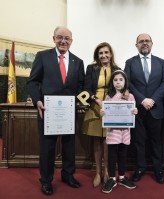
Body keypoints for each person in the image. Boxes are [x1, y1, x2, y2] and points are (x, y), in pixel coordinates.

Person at [27, 26, 85, 195]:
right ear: (53, 39)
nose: (63, 41)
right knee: (47, 148)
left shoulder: (78, 61)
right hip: (47, 111)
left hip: (68, 112)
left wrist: (80, 104)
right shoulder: (42, 56)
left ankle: (68, 175)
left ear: (71, 42)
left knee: (69, 146)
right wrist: (37, 100)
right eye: (60, 37)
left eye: (67, 38)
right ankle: (46, 181)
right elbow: (32, 82)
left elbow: (80, 87)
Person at [124, 33, 164, 184]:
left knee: (156, 142)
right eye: (141, 41)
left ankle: (158, 170)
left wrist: (153, 100)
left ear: (152, 43)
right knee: (139, 142)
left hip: (156, 110)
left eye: (147, 41)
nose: (144, 43)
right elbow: (127, 84)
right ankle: (140, 168)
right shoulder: (130, 62)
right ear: (136, 45)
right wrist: (142, 100)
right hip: (138, 110)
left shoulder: (162, 63)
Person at [82, 42, 120, 187]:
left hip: (111, 108)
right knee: (97, 141)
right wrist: (97, 101)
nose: (103, 55)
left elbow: (121, 87)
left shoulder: (117, 69)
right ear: (97, 56)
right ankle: (98, 172)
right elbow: (86, 89)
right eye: (101, 53)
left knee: (108, 141)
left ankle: (107, 172)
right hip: (95, 107)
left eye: (106, 52)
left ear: (111, 54)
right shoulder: (91, 68)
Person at [100, 70, 138, 193]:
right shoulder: (109, 96)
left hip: (125, 131)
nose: (118, 82)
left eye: (121, 80)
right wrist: (103, 113)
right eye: (115, 80)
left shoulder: (130, 96)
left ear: (125, 81)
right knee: (112, 154)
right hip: (112, 131)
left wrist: (134, 111)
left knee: (122, 153)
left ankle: (121, 177)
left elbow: (133, 111)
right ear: (112, 82)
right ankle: (112, 178)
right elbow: (105, 111)